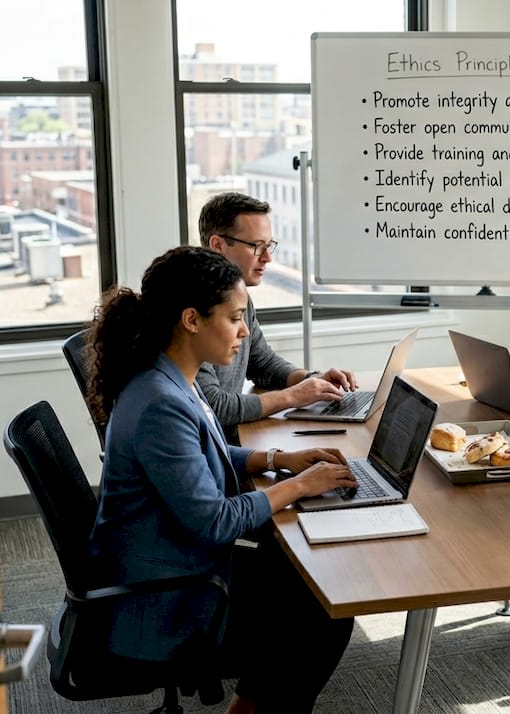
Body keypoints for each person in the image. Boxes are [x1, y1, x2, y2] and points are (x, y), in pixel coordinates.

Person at [86, 246, 359, 714]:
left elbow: (205, 451)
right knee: (327, 607)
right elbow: (214, 520)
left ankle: (251, 703)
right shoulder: (160, 401)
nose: (245, 331)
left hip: (169, 560)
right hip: (166, 595)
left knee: (301, 568)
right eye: (235, 318)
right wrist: (298, 485)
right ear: (192, 319)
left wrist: (279, 458)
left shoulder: (170, 375)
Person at [196, 191, 358, 443]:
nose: (268, 257)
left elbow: (261, 363)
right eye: (256, 246)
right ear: (218, 245)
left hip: (230, 446)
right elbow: (212, 405)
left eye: (268, 246)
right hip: (215, 453)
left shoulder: (240, 298)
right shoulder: (196, 310)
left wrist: (310, 379)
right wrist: (293, 396)